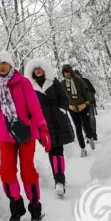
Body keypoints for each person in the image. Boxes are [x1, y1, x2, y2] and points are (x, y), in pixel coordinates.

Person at [0, 51, 50, 221]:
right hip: (6, 137)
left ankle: (35, 208)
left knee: (28, 171)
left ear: (11, 64)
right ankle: (16, 206)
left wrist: (43, 128)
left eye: (4, 63)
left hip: (26, 135)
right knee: (6, 172)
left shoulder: (23, 83)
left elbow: (35, 107)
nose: (1, 66)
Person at [24, 59, 75, 197]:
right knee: (51, 150)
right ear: (32, 72)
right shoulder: (30, 86)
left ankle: (59, 181)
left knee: (58, 150)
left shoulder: (54, 81)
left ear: (44, 69)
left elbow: (65, 98)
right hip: (43, 122)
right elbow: (29, 105)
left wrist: (62, 110)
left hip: (58, 120)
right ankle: (58, 179)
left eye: (40, 68)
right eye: (35, 69)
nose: (38, 71)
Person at [60, 64, 97, 157]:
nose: (66, 74)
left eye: (68, 71)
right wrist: (67, 106)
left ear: (71, 71)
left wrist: (86, 103)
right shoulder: (63, 83)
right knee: (78, 128)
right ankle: (83, 148)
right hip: (72, 109)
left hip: (83, 107)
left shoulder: (79, 81)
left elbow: (87, 92)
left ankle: (90, 137)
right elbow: (62, 96)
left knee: (87, 125)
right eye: (65, 72)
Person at [75, 69, 98, 139]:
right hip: (80, 105)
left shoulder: (86, 81)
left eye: (77, 75)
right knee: (83, 120)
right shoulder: (73, 84)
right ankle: (88, 135)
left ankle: (94, 134)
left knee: (91, 118)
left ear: (79, 75)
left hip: (90, 103)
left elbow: (93, 91)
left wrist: (87, 95)